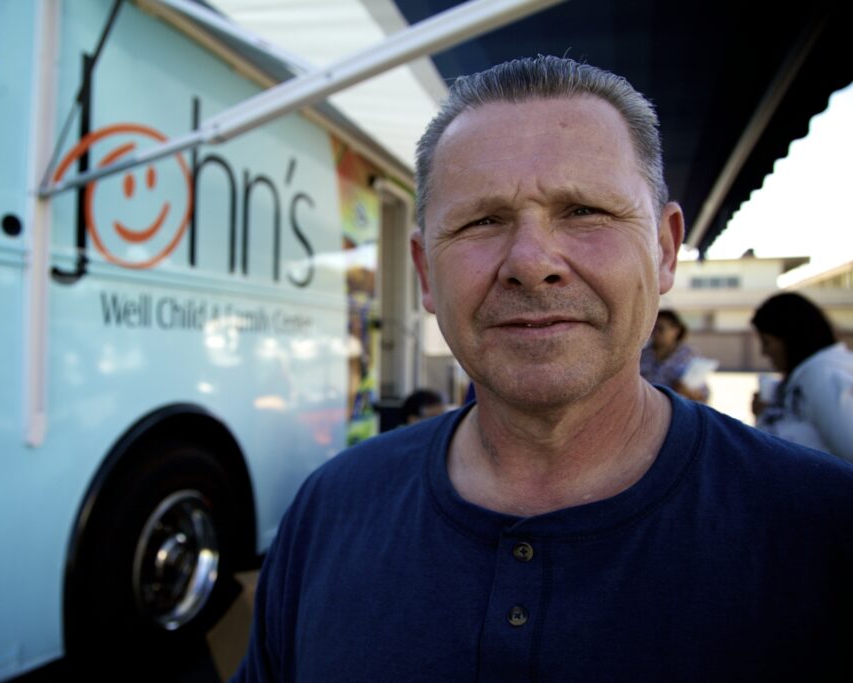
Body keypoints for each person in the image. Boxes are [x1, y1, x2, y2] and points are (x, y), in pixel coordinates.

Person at [232, 56, 853, 681]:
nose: (531, 262)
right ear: (425, 272)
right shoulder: (328, 512)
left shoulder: (824, 530)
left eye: (585, 211)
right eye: (483, 221)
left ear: (664, 250)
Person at [751, 291, 853, 461]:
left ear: (790, 338)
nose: (764, 352)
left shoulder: (821, 376)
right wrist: (764, 413)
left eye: (767, 342)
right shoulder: (807, 376)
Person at [640, 309, 709, 401]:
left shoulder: (689, 356)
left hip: (677, 409)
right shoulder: (641, 355)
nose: (655, 333)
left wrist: (689, 392)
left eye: (660, 329)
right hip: (647, 408)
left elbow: (702, 394)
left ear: (675, 330)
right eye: (653, 328)